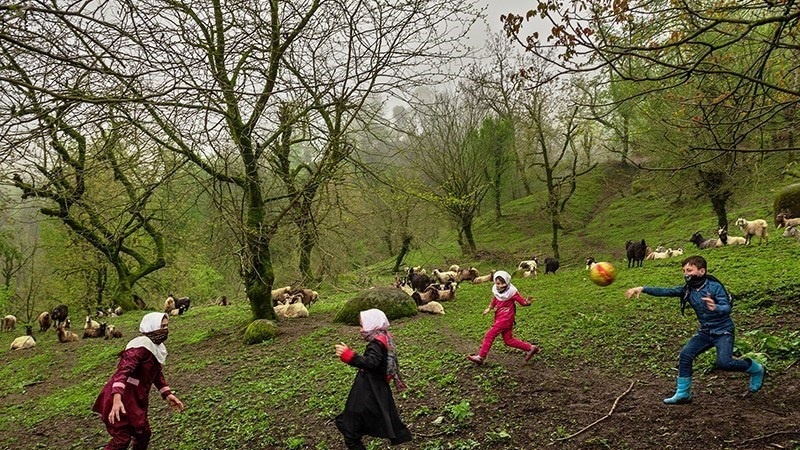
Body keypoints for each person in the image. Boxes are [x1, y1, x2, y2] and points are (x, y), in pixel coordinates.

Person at [624, 255, 765, 404]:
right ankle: (683, 393)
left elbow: (727, 308)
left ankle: (756, 369)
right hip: (705, 331)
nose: (686, 274)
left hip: (723, 331)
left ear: (702, 271)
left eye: (689, 270)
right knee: (686, 355)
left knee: (724, 363)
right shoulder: (688, 290)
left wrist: (715, 307)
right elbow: (667, 291)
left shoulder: (714, 287)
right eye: (684, 271)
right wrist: (643, 289)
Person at [93, 312, 185, 449]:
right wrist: (117, 399)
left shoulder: (155, 348)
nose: (165, 330)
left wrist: (167, 394)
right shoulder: (139, 347)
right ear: (151, 326)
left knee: (143, 434)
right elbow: (123, 371)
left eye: (166, 326)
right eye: (162, 326)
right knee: (122, 438)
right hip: (122, 397)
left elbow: (156, 373)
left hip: (136, 398)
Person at [334, 309, 412, 450]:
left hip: (368, 392)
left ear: (372, 324)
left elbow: (372, 362)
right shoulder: (384, 337)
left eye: (362, 325)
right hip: (372, 389)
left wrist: (350, 356)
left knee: (350, 432)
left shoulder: (377, 343)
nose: (360, 329)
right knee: (346, 423)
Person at [467, 270, 540, 366]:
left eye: (502, 283)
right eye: (497, 283)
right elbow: (495, 299)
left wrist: (528, 302)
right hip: (501, 318)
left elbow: (522, 302)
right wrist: (489, 308)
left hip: (506, 319)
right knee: (508, 340)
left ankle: (481, 357)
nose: (499, 286)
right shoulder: (497, 291)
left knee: (489, 335)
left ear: (506, 283)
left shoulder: (512, 292)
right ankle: (531, 348)